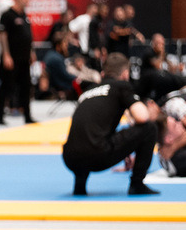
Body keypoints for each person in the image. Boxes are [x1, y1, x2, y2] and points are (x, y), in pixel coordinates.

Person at [62, 54, 159, 196]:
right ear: (125, 74)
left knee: (91, 135)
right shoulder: (121, 86)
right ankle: (137, 184)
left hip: (70, 157)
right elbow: (142, 117)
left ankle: (79, 186)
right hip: (96, 155)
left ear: (103, 74)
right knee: (149, 128)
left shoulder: (88, 91)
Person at [0, 0, 35, 125]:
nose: (27, 1)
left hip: (24, 58)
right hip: (12, 58)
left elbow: (28, 36)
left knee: (26, 87)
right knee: (7, 86)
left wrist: (32, 52)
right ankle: (0, 117)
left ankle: (27, 116)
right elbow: (2, 35)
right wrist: (6, 54)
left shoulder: (24, 15)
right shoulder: (7, 15)